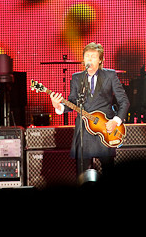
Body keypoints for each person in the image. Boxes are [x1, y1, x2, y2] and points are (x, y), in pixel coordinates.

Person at [48, 42, 130, 176]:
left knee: (108, 171)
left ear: (100, 60)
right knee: (83, 173)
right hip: (84, 130)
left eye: (93, 56)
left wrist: (115, 121)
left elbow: (124, 101)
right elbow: (73, 102)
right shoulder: (77, 78)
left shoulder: (110, 75)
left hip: (105, 129)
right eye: (87, 56)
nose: (89, 60)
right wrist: (58, 106)